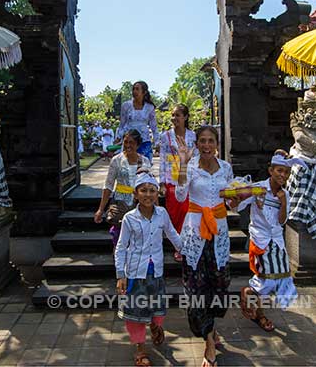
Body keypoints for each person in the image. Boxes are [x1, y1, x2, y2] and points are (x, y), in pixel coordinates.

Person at [175, 125, 234, 367]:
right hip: (195, 233)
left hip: (218, 232)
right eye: (202, 141)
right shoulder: (189, 167)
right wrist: (181, 164)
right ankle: (208, 341)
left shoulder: (227, 168)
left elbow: (232, 202)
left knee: (219, 285)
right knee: (196, 290)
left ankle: (211, 326)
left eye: (211, 141)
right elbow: (179, 196)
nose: (207, 145)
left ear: (217, 144)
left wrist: (236, 198)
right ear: (196, 144)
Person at [115, 171, 182, 367]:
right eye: (143, 190)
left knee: (158, 309)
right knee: (135, 313)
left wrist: (188, 251)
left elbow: (172, 234)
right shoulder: (129, 218)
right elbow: (121, 247)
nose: (148, 194)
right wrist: (121, 274)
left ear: (157, 194)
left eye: (152, 190)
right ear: (135, 194)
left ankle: (155, 326)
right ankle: (140, 348)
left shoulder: (162, 214)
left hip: (156, 272)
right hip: (136, 272)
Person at [237, 149, 303, 332]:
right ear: (270, 170)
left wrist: (282, 203)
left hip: (277, 243)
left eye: (286, 172)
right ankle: (253, 303)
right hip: (260, 241)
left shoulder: (285, 194)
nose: (283, 175)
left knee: (280, 279)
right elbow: (236, 203)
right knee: (265, 280)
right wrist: (242, 195)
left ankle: (254, 303)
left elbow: (282, 221)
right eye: (279, 171)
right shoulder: (258, 187)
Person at [95, 129, 152, 247]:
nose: (128, 145)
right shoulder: (117, 160)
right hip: (120, 202)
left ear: (138, 144)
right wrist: (101, 209)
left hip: (139, 203)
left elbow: (149, 186)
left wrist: (155, 208)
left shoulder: (145, 161)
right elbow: (108, 185)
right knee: (119, 236)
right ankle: (119, 261)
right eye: (126, 142)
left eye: (131, 143)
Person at [159, 104, 197, 262]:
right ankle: (178, 246)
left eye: (178, 115)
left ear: (186, 117)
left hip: (189, 177)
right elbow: (162, 159)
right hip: (171, 178)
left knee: (187, 213)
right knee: (174, 214)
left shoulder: (193, 136)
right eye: (173, 115)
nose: (175, 119)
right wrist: (161, 182)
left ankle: (188, 244)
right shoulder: (165, 136)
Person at [116, 81, 159, 160]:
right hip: (129, 141)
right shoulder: (126, 105)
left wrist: (157, 142)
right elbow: (122, 124)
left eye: (137, 89)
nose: (134, 91)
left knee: (144, 166)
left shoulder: (150, 107)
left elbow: (154, 126)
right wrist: (119, 136)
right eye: (133, 89)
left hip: (144, 141)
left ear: (144, 92)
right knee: (128, 166)